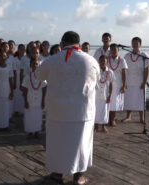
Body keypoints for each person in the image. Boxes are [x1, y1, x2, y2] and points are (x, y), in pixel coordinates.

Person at [36, 31, 99, 184]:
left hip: (58, 110)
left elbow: (38, 75)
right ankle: (78, 177)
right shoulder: (91, 60)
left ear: (62, 43)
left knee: (58, 142)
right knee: (82, 144)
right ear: (78, 43)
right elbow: (97, 79)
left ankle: (57, 173)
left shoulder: (51, 60)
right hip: (82, 111)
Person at [122, 37, 149, 123]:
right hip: (129, 81)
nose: (134, 45)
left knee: (140, 100)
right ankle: (128, 116)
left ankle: (142, 118)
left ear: (140, 44)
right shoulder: (127, 56)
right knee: (129, 99)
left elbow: (147, 69)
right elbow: (124, 69)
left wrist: (145, 82)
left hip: (140, 82)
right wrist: (124, 82)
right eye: (133, 43)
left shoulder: (144, 55)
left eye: (136, 43)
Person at [22, 48, 47, 138]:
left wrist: (43, 100)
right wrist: (25, 100)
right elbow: (24, 89)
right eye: (33, 64)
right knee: (29, 116)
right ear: (30, 66)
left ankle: (37, 131)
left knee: (38, 116)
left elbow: (44, 88)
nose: (35, 66)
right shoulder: (27, 77)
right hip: (30, 98)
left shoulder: (42, 77)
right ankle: (30, 132)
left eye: (36, 64)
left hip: (39, 99)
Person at [108, 43, 128, 126]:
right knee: (108, 103)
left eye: (115, 49)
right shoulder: (107, 59)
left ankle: (112, 119)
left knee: (115, 104)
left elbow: (124, 73)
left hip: (118, 85)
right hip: (108, 85)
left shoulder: (122, 60)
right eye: (111, 49)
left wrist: (124, 85)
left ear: (118, 50)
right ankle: (108, 119)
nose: (113, 51)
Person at [95, 55, 113, 133]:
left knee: (105, 111)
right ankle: (96, 126)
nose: (102, 62)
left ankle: (103, 126)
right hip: (96, 94)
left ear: (106, 62)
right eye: (101, 61)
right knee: (96, 110)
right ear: (98, 61)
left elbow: (112, 84)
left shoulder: (110, 72)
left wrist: (110, 95)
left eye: (104, 61)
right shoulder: (96, 71)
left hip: (105, 94)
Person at [13, 44, 26, 114]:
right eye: (20, 49)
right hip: (16, 77)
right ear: (18, 50)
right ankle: (16, 109)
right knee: (16, 93)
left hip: (23, 77)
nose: (22, 50)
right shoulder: (14, 59)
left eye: (23, 49)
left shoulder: (26, 59)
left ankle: (22, 109)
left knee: (22, 94)